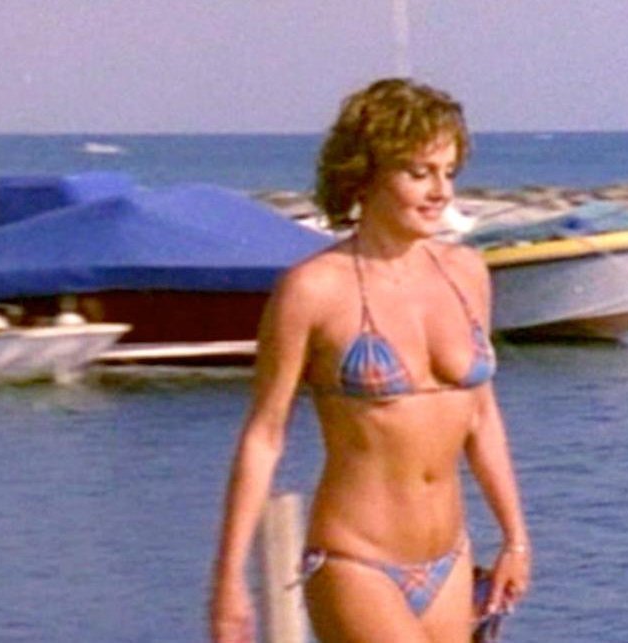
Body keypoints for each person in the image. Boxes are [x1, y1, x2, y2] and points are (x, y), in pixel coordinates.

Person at [209, 78, 531, 642]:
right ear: (364, 174)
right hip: (356, 560)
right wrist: (229, 578)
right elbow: (264, 435)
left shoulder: (467, 273)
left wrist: (515, 539)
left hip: (451, 561)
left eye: (448, 172)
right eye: (418, 173)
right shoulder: (312, 289)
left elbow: (481, 416)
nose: (440, 192)